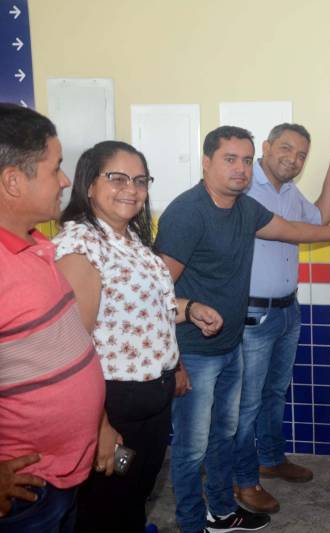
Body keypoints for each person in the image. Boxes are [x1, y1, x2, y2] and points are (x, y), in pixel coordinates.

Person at [154, 126, 330, 533]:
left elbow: (291, 230)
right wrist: (173, 357)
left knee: (223, 435)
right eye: (230, 159)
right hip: (192, 350)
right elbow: (154, 294)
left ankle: (223, 512)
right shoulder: (187, 213)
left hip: (230, 345)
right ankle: (192, 523)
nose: (240, 169)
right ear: (206, 161)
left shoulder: (244, 208)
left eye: (245, 161)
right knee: (191, 450)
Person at [52, 141, 223, 532]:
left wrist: (190, 311)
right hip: (112, 401)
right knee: (102, 510)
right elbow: (71, 348)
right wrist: (98, 426)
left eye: (140, 180)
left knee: (133, 498)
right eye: (117, 178)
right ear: (89, 185)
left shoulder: (131, 240)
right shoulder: (81, 246)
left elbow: (151, 309)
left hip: (151, 397)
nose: (132, 188)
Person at [0, 104, 105, 532]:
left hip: (61, 478)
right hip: (26, 490)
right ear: (12, 181)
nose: (65, 181)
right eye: (55, 168)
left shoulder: (36, 244)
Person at [232, 123, 330, 513]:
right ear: (266, 147)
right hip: (251, 314)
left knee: (274, 394)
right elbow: (296, 232)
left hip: (287, 311)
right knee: (245, 405)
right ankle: (244, 482)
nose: (293, 160)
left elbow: (319, 218)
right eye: (286, 149)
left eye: (300, 156)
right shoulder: (243, 186)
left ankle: (271, 459)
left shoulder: (291, 193)